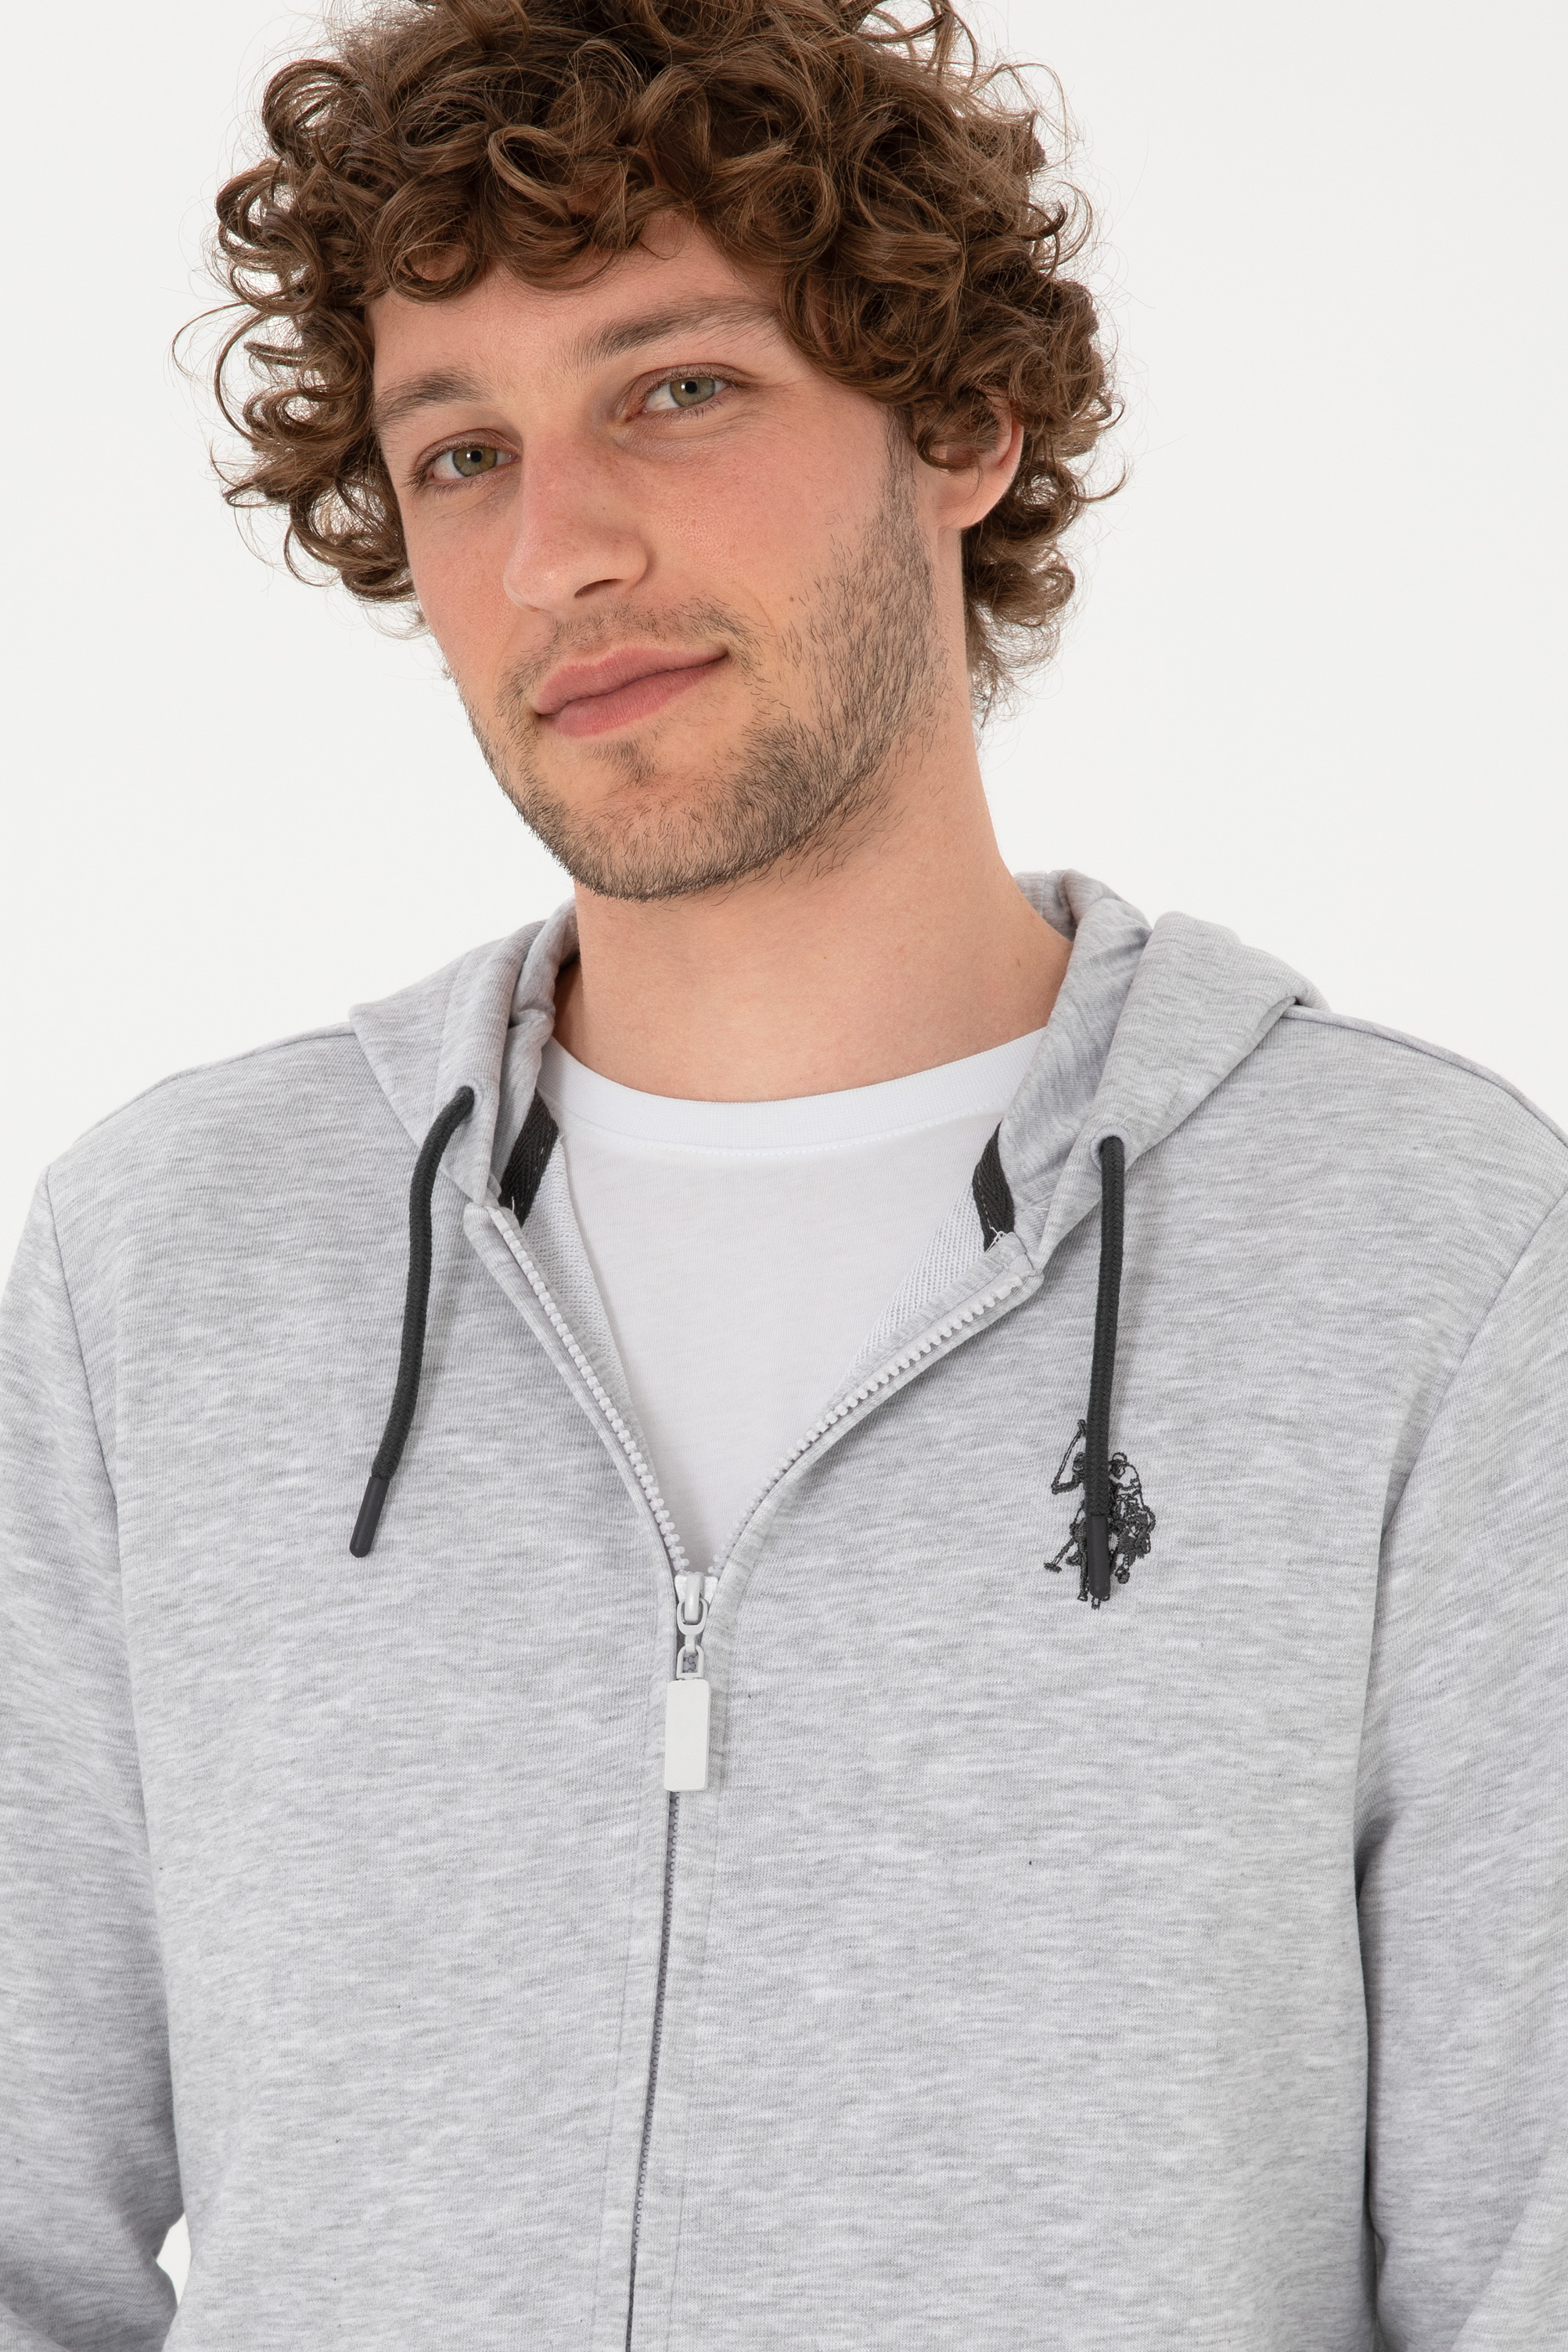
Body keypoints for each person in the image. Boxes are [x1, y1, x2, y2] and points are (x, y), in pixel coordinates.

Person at [2, 0, 1563, 2343]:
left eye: (676, 389)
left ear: (960, 422)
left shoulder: (1425, 1258)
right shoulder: (173, 1271)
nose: (559, 551)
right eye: (459, 452)